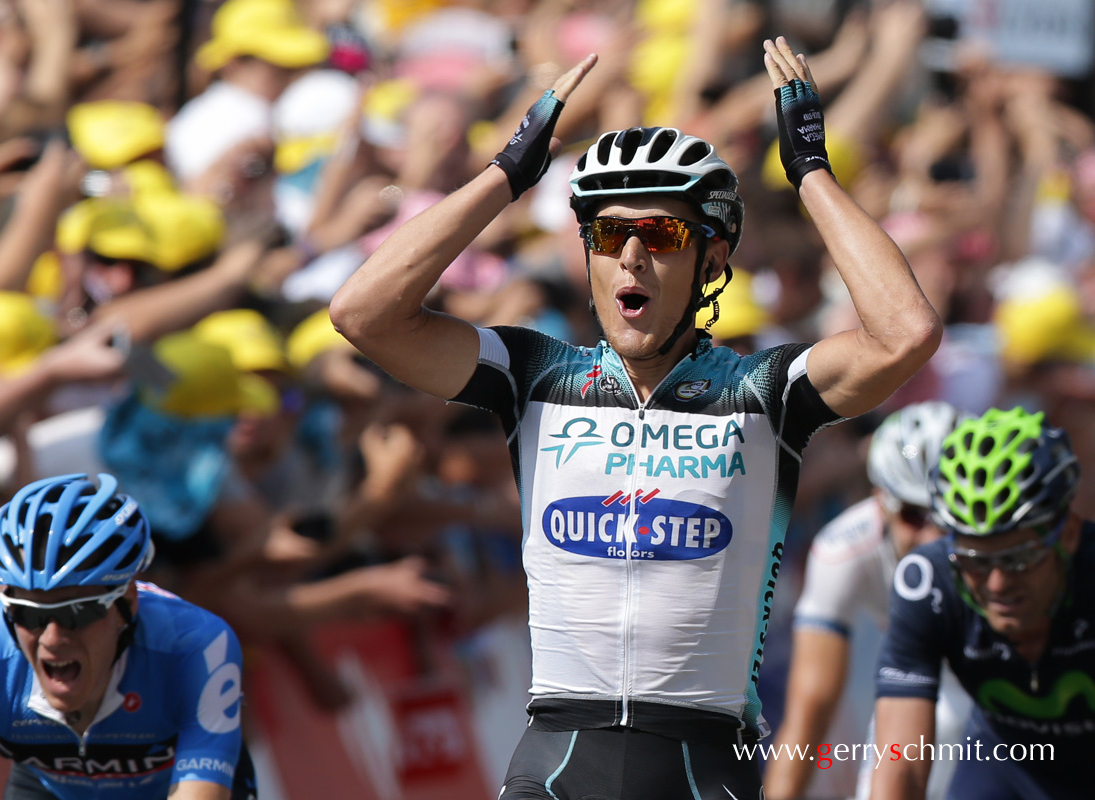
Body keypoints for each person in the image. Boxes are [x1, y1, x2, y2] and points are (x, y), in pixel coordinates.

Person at [330, 37, 941, 800]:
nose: (631, 257)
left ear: (712, 261)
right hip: (555, 757)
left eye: (661, 234)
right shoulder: (537, 377)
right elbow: (363, 313)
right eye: (608, 234)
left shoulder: (763, 391)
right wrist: (508, 173)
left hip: (700, 764)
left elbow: (905, 333)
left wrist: (811, 172)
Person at [0, 473, 257, 800]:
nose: (52, 638)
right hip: (50, 790)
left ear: (126, 603)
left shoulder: (194, 646)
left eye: (77, 612)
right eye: (27, 613)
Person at [872, 407, 1092, 799]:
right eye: (976, 561)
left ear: (1070, 534)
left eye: (1019, 558)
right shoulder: (929, 582)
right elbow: (900, 766)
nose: (998, 583)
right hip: (1003, 768)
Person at [765, 401, 969, 800]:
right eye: (914, 515)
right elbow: (811, 710)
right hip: (913, 683)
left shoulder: (991, 549)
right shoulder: (842, 550)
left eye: (949, 517)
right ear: (881, 501)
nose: (932, 537)